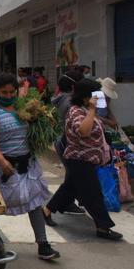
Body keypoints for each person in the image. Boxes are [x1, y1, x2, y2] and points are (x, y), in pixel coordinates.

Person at [0, 73, 60, 260]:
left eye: (12, 92)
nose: (9, 96)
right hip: (4, 165)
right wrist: (2, 162)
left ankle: (43, 245)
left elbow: (36, 129)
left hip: (27, 164)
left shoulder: (22, 107)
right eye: (4, 92)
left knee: (34, 202)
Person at [44, 79, 123, 240]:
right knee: (93, 193)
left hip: (86, 159)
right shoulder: (76, 112)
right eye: (95, 95)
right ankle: (103, 226)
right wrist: (93, 110)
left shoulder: (85, 109)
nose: (98, 98)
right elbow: (84, 131)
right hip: (79, 159)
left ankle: (46, 211)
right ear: (86, 97)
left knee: (70, 188)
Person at [50, 70, 86, 216]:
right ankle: (53, 207)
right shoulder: (70, 102)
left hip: (62, 140)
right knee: (74, 176)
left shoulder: (61, 98)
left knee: (72, 175)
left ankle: (65, 203)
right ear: (74, 86)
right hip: (67, 141)